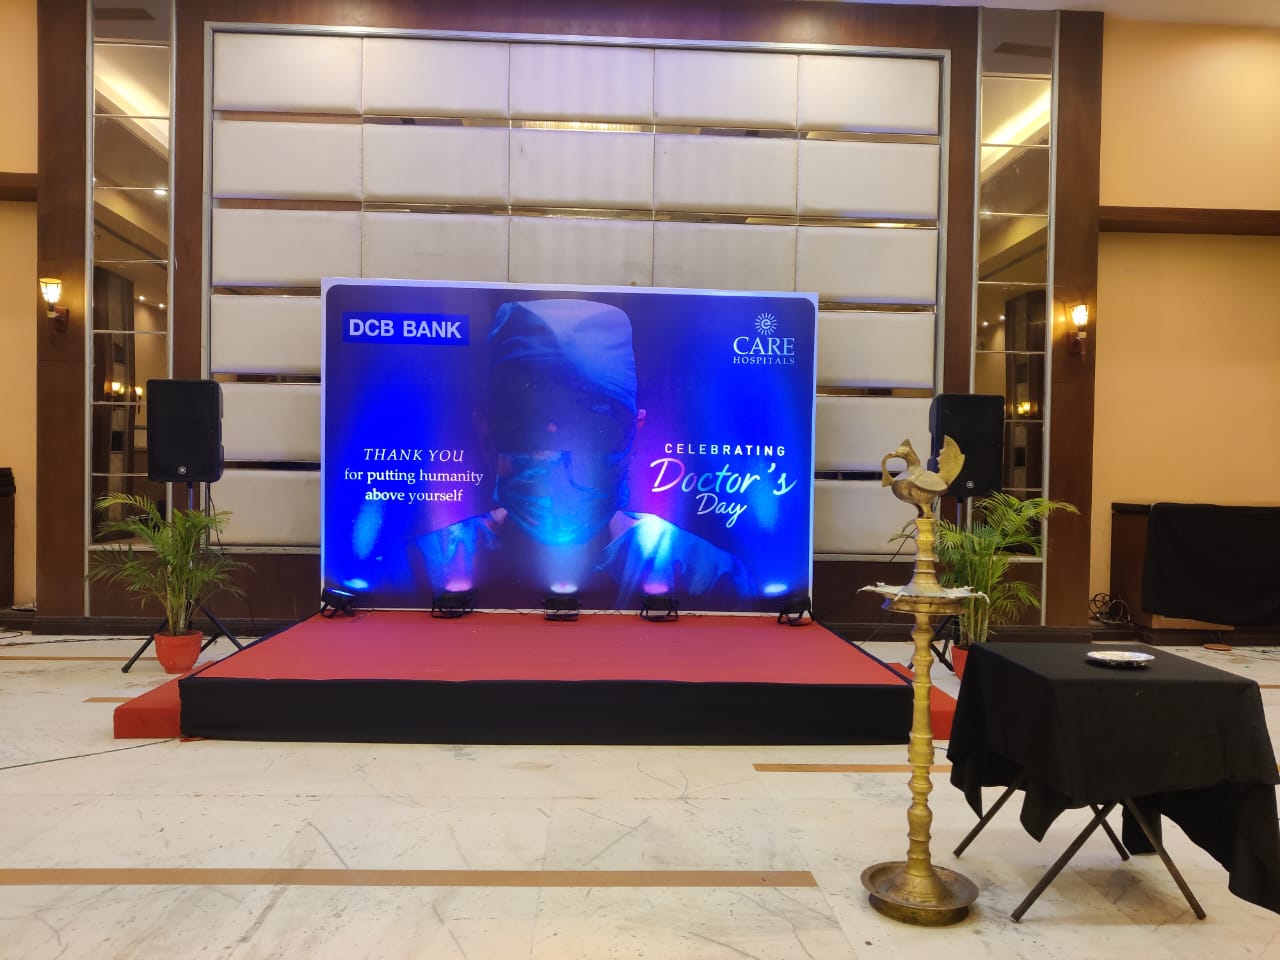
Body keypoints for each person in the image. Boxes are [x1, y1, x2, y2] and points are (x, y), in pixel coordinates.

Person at [410, 298, 756, 610]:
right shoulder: (428, 566)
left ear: (634, 431)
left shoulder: (702, 573)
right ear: (485, 430)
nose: (553, 458)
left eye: (590, 423)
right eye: (528, 419)